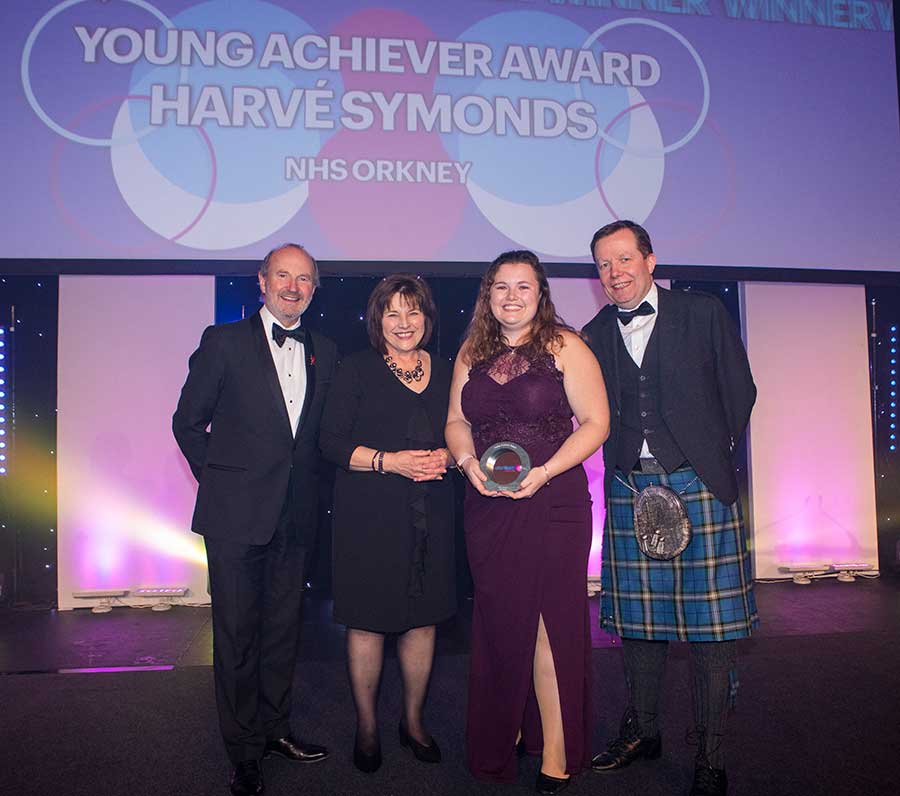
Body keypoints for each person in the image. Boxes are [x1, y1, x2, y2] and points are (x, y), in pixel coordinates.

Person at [581, 220, 758, 796]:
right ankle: (644, 731)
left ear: (651, 261)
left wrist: (707, 454)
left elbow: (740, 390)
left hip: (701, 484)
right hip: (632, 488)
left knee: (711, 631)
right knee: (639, 624)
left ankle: (710, 756)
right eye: (605, 265)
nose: (616, 273)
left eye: (625, 259)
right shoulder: (592, 333)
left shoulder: (702, 312)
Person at [173, 244, 337, 796]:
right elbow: (187, 423)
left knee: (282, 636)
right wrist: (222, 484)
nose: (293, 287)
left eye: (304, 279)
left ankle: (274, 729)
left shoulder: (327, 350)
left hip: (296, 519)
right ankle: (242, 752)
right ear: (262, 281)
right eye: (283, 276)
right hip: (235, 521)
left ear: (315, 288)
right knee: (237, 638)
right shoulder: (222, 343)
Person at [445, 251, 609, 794]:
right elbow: (456, 421)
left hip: (553, 499)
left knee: (545, 627)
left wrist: (544, 472)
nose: (511, 297)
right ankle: (511, 729)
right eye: (500, 287)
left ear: (540, 293)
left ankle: (557, 751)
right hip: (488, 504)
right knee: (499, 622)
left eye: (522, 286)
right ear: (487, 295)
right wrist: (468, 466)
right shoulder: (472, 351)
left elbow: (596, 424)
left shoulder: (567, 345)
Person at [319, 274, 456, 775]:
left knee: (423, 621)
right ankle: (368, 726)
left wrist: (451, 454)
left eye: (413, 312)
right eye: (392, 313)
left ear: (427, 318)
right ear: (377, 320)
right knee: (369, 622)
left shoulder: (447, 371)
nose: (404, 323)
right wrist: (389, 461)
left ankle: (414, 722)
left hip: (433, 515)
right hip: (368, 516)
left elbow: (466, 436)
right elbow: (330, 443)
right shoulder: (354, 370)